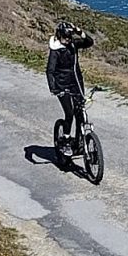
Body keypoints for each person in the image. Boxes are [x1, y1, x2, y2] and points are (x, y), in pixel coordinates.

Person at [46, 21, 94, 156]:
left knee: (81, 112)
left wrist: (79, 31)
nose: (67, 40)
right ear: (59, 36)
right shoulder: (55, 50)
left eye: (69, 37)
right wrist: (54, 88)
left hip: (76, 82)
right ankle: (66, 140)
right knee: (70, 113)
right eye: (65, 37)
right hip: (62, 85)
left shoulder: (73, 44)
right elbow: (50, 71)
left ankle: (79, 142)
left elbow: (89, 42)